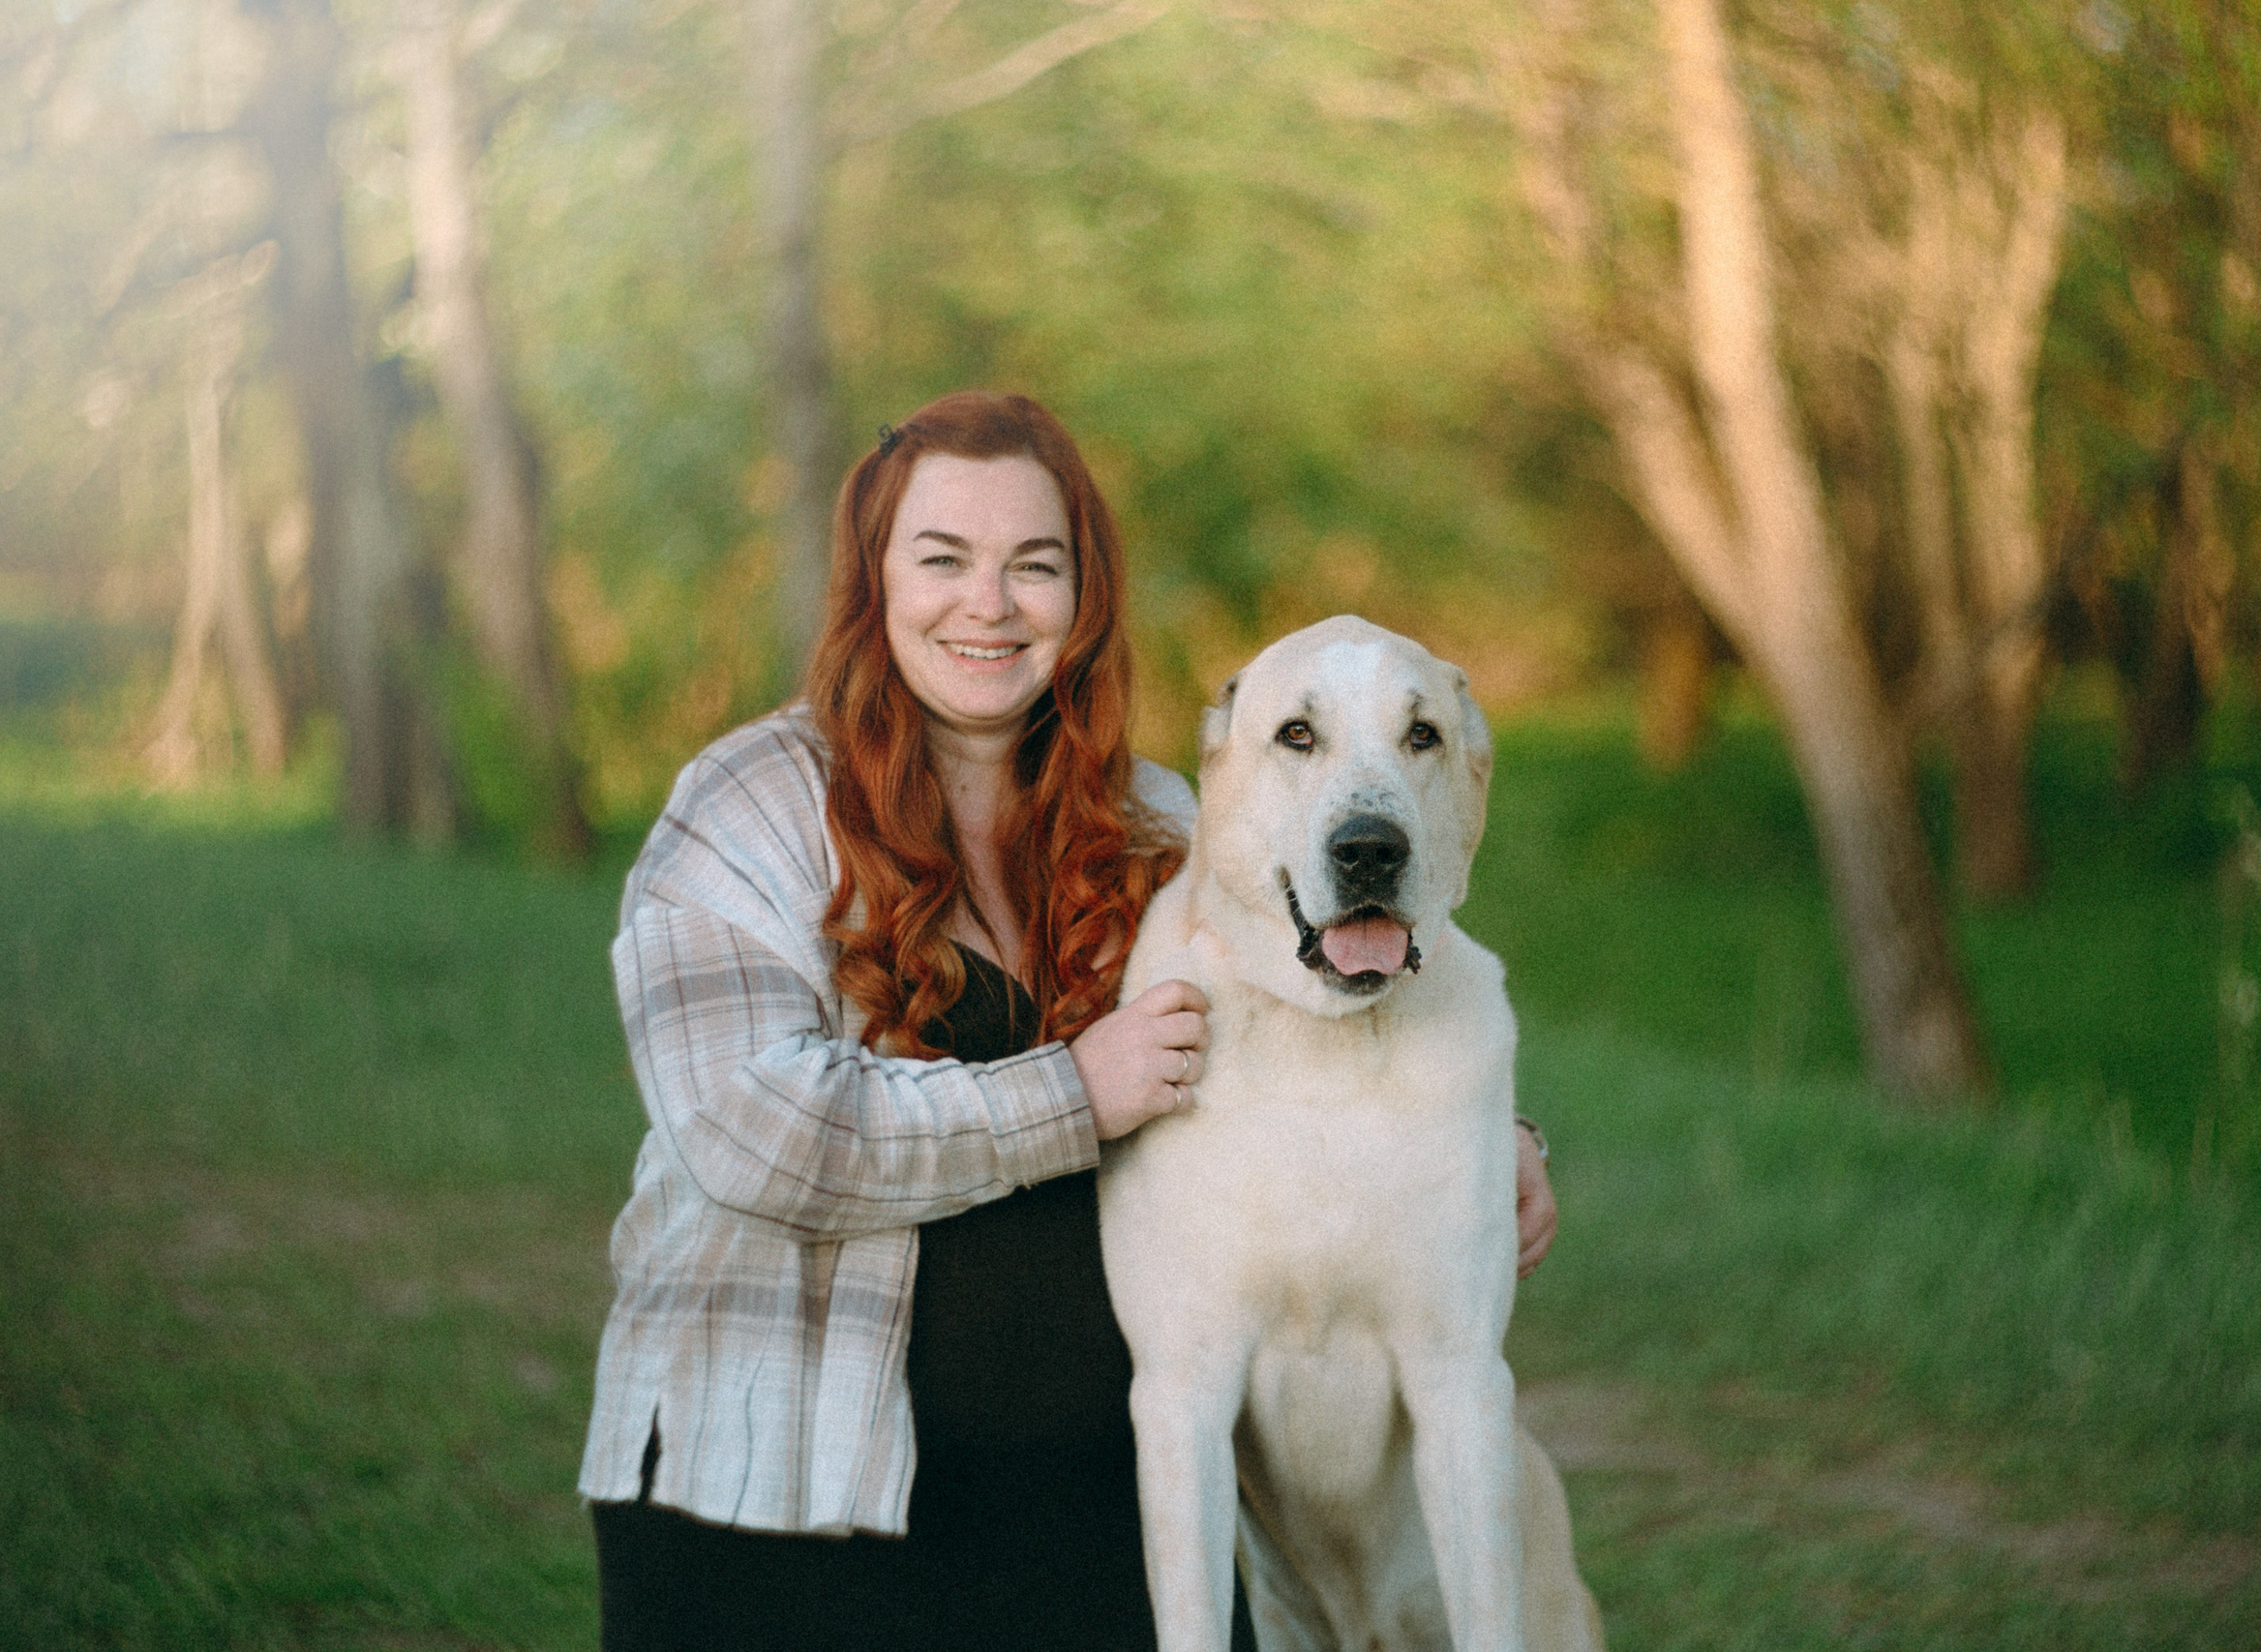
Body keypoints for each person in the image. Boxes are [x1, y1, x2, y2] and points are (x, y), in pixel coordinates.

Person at [578, 390, 1558, 1651]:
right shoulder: (747, 810)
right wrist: (1072, 1094)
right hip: (780, 1512)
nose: (987, 603)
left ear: (1082, 596)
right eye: (942, 559)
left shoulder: (1162, 829)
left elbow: (1337, 996)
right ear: (872, 583)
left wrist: (1486, 1140)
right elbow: (755, 1134)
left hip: (1095, 1529)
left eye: (1033, 566)